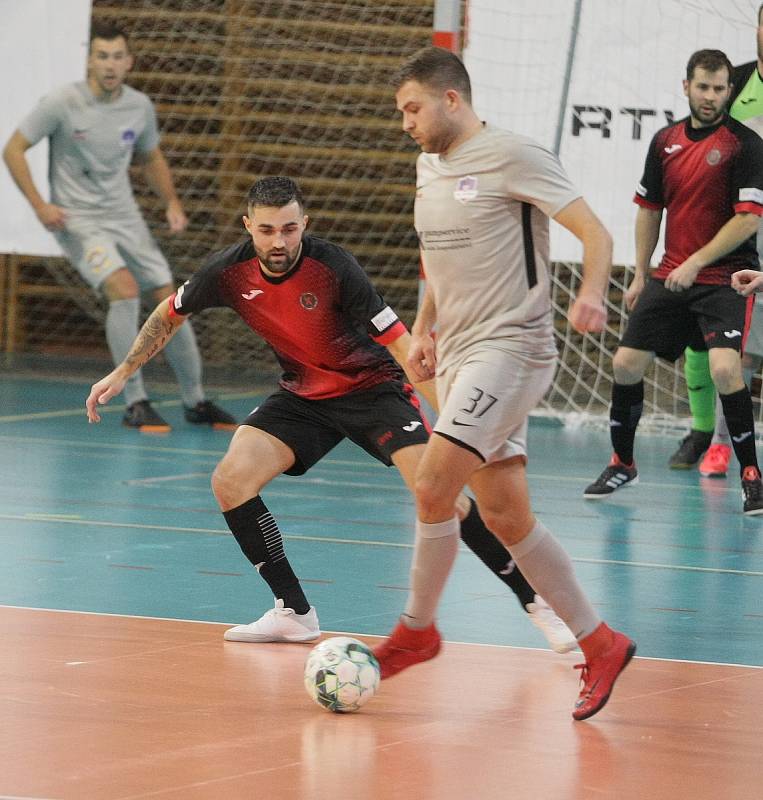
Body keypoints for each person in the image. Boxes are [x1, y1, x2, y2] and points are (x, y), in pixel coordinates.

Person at [85, 175, 577, 654]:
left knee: (440, 494)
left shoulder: (334, 267)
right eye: (267, 230)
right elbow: (170, 311)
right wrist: (123, 371)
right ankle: (293, 613)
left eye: (289, 229)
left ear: (305, 223)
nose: (279, 242)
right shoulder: (227, 272)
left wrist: (454, 416)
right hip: (304, 394)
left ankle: (536, 603)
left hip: (373, 390)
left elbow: (403, 345)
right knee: (231, 480)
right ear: (247, 226)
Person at [371, 46, 635, 722]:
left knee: (433, 484)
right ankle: (599, 644)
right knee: (505, 515)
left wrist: (593, 295)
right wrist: (424, 330)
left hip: (512, 348)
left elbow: (594, 233)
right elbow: (435, 260)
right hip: (459, 355)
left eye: (412, 108)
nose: (404, 122)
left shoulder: (514, 155)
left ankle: (417, 631)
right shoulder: (428, 167)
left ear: (450, 98)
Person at [2, 21, 233, 432]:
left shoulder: (138, 106)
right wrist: (40, 205)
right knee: (124, 290)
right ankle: (135, 400)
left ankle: (195, 400)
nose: (110, 65)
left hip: (124, 216)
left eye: (117, 57)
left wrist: (172, 203)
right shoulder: (61, 102)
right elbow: (14, 148)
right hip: (78, 219)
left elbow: (152, 157)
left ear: (129, 62)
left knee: (171, 299)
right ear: (90, 59)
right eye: (102, 56)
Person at [584, 49, 763, 515]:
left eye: (720, 88)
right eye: (702, 86)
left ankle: (751, 475)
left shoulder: (745, 144)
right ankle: (622, 461)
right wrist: (642, 273)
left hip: (725, 277)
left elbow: (747, 221)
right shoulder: (665, 141)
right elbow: (649, 209)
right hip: (670, 276)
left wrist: (696, 262)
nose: (710, 96)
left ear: (729, 91)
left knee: (725, 369)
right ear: (686, 87)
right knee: (624, 364)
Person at [669, 7, 763, 478]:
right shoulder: (736, 82)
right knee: (720, 341)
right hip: (736, 226)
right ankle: (712, 436)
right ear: (759, 28)